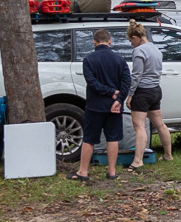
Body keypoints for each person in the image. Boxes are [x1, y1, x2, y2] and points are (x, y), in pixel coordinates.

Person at [68, 28, 130, 182]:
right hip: (114, 107)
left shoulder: (89, 60)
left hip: (95, 105)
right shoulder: (120, 60)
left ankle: (83, 171)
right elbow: (127, 82)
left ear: (94, 42)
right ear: (110, 42)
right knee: (113, 138)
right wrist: (118, 99)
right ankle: (112, 172)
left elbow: (93, 83)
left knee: (89, 138)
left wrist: (110, 92)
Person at [126, 20, 172, 170]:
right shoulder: (155, 49)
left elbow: (136, 75)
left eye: (130, 41)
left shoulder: (139, 51)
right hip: (155, 90)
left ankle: (138, 161)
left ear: (135, 37)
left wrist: (130, 95)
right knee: (160, 124)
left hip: (142, 92)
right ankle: (168, 155)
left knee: (139, 126)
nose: (131, 44)